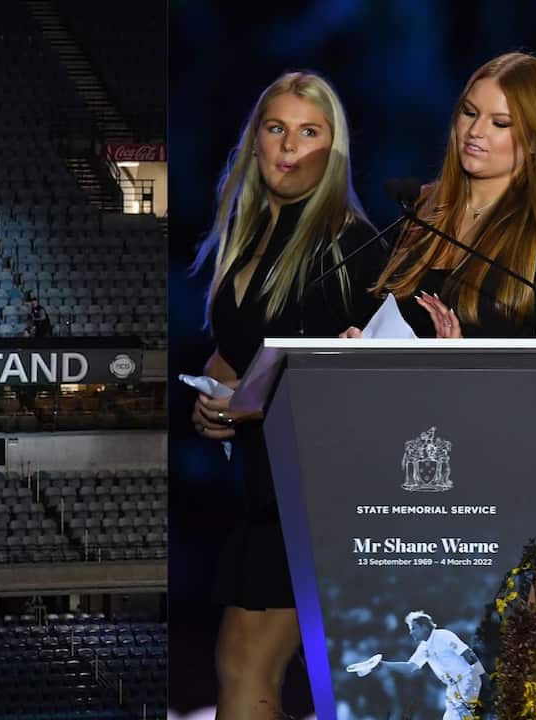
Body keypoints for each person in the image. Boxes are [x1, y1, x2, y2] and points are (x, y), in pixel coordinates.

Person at [347, 52, 536, 541]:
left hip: (515, 482)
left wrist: (467, 363)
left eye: (500, 122)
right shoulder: (425, 211)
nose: (475, 131)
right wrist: (358, 348)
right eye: (469, 112)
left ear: (534, 140)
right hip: (410, 475)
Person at [189, 71, 386, 719]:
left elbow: (377, 360)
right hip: (263, 485)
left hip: (320, 493)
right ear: (255, 140)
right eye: (276, 128)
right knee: (245, 670)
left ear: (334, 149)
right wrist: (214, 392)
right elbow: (242, 348)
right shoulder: (245, 235)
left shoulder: (349, 245)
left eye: (310, 132)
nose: (289, 146)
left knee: (250, 672)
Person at [346, 611, 486, 720]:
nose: (410, 632)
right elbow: (410, 667)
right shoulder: (423, 647)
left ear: (424, 627)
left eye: (414, 628)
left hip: (467, 681)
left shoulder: (443, 635)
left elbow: (468, 654)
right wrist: (383, 664)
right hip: (452, 688)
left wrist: (484, 676)